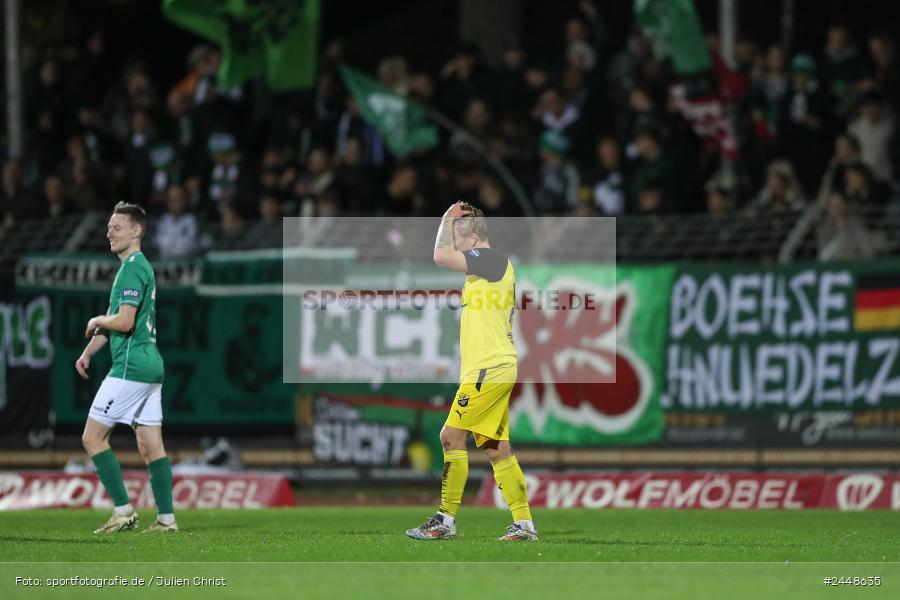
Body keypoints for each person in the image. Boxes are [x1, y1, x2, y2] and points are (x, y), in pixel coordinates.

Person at [406, 201, 537, 542]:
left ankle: (444, 521)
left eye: (456, 236)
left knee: (450, 436)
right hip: (494, 367)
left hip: (488, 369)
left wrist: (445, 218)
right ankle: (524, 525)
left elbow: (440, 256)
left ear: (472, 237)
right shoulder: (487, 269)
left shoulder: (490, 259)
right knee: (496, 448)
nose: (453, 243)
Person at [76, 202, 176, 533]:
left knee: (92, 438)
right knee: (150, 446)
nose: (109, 233)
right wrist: (89, 352)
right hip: (151, 366)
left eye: (116, 228)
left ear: (137, 231)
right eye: (108, 228)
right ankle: (166, 520)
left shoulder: (132, 268)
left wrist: (95, 319)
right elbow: (115, 321)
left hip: (131, 367)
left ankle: (123, 510)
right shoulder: (136, 267)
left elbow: (124, 321)